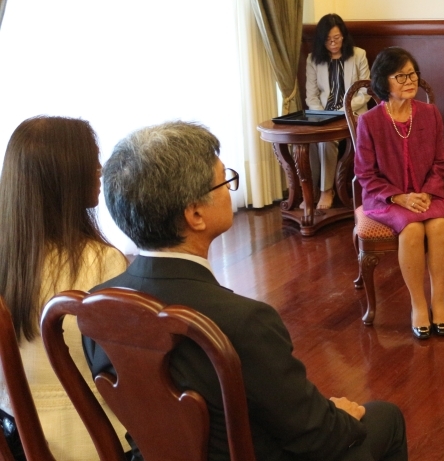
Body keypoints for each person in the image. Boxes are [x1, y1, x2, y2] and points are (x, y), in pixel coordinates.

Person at [86, 121, 407, 461]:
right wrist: (340, 416)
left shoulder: (95, 308)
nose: (230, 190)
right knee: (384, 418)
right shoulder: (244, 322)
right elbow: (317, 437)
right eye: (225, 181)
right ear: (195, 214)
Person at [0, 117, 130, 460]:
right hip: (92, 441)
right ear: (65, 178)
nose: (100, 170)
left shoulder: (6, 261)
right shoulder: (103, 263)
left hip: (14, 440)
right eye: (92, 160)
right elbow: (125, 372)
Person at [354, 48, 444, 340]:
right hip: (385, 200)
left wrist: (423, 193)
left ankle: (439, 303)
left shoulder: (431, 114)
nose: (410, 80)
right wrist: (400, 197)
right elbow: (365, 174)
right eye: (401, 76)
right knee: (411, 230)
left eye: (412, 74)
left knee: (439, 226)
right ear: (384, 82)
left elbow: (441, 162)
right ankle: (418, 305)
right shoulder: (369, 122)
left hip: (428, 194)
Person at [305, 13, 370, 209]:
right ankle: (311, 191)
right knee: (309, 141)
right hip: (324, 114)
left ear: (344, 36)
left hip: (352, 112)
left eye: (337, 38)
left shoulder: (358, 55)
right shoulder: (313, 59)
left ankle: (326, 191)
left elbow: (365, 91)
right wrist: (321, 114)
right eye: (328, 40)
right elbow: (312, 95)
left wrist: (343, 110)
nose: (333, 43)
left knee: (326, 140)